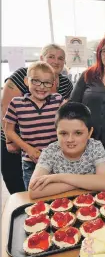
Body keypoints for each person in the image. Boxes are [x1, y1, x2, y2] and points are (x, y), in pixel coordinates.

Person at [1, 43, 73, 194]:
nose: (41, 86)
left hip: (56, 158)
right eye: (36, 81)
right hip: (30, 160)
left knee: (56, 193)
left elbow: (68, 120)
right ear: (27, 81)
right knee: (33, 193)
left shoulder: (59, 99)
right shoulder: (17, 103)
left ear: (53, 83)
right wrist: (27, 149)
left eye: (47, 83)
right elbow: (9, 129)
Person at [28, 102, 105, 199]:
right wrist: (87, 182)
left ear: (90, 133)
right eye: (63, 133)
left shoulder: (95, 147)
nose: (70, 139)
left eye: (78, 133)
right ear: (56, 132)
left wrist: (59, 177)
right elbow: (33, 191)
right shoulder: (50, 151)